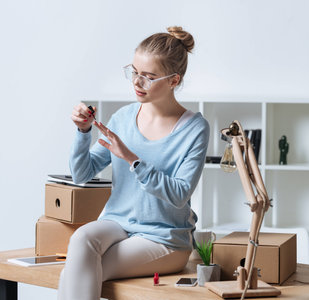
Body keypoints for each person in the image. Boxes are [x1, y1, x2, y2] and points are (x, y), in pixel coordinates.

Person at [57, 26, 209, 300]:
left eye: (149, 77)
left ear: (174, 80)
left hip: (164, 239)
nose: (137, 83)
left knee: (73, 273)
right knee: (81, 239)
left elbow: (179, 195)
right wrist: (82, 132)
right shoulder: (124, 117)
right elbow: (81, 175)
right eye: (134, 72)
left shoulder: (194, 128)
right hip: (118, 224)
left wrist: (132, 159)